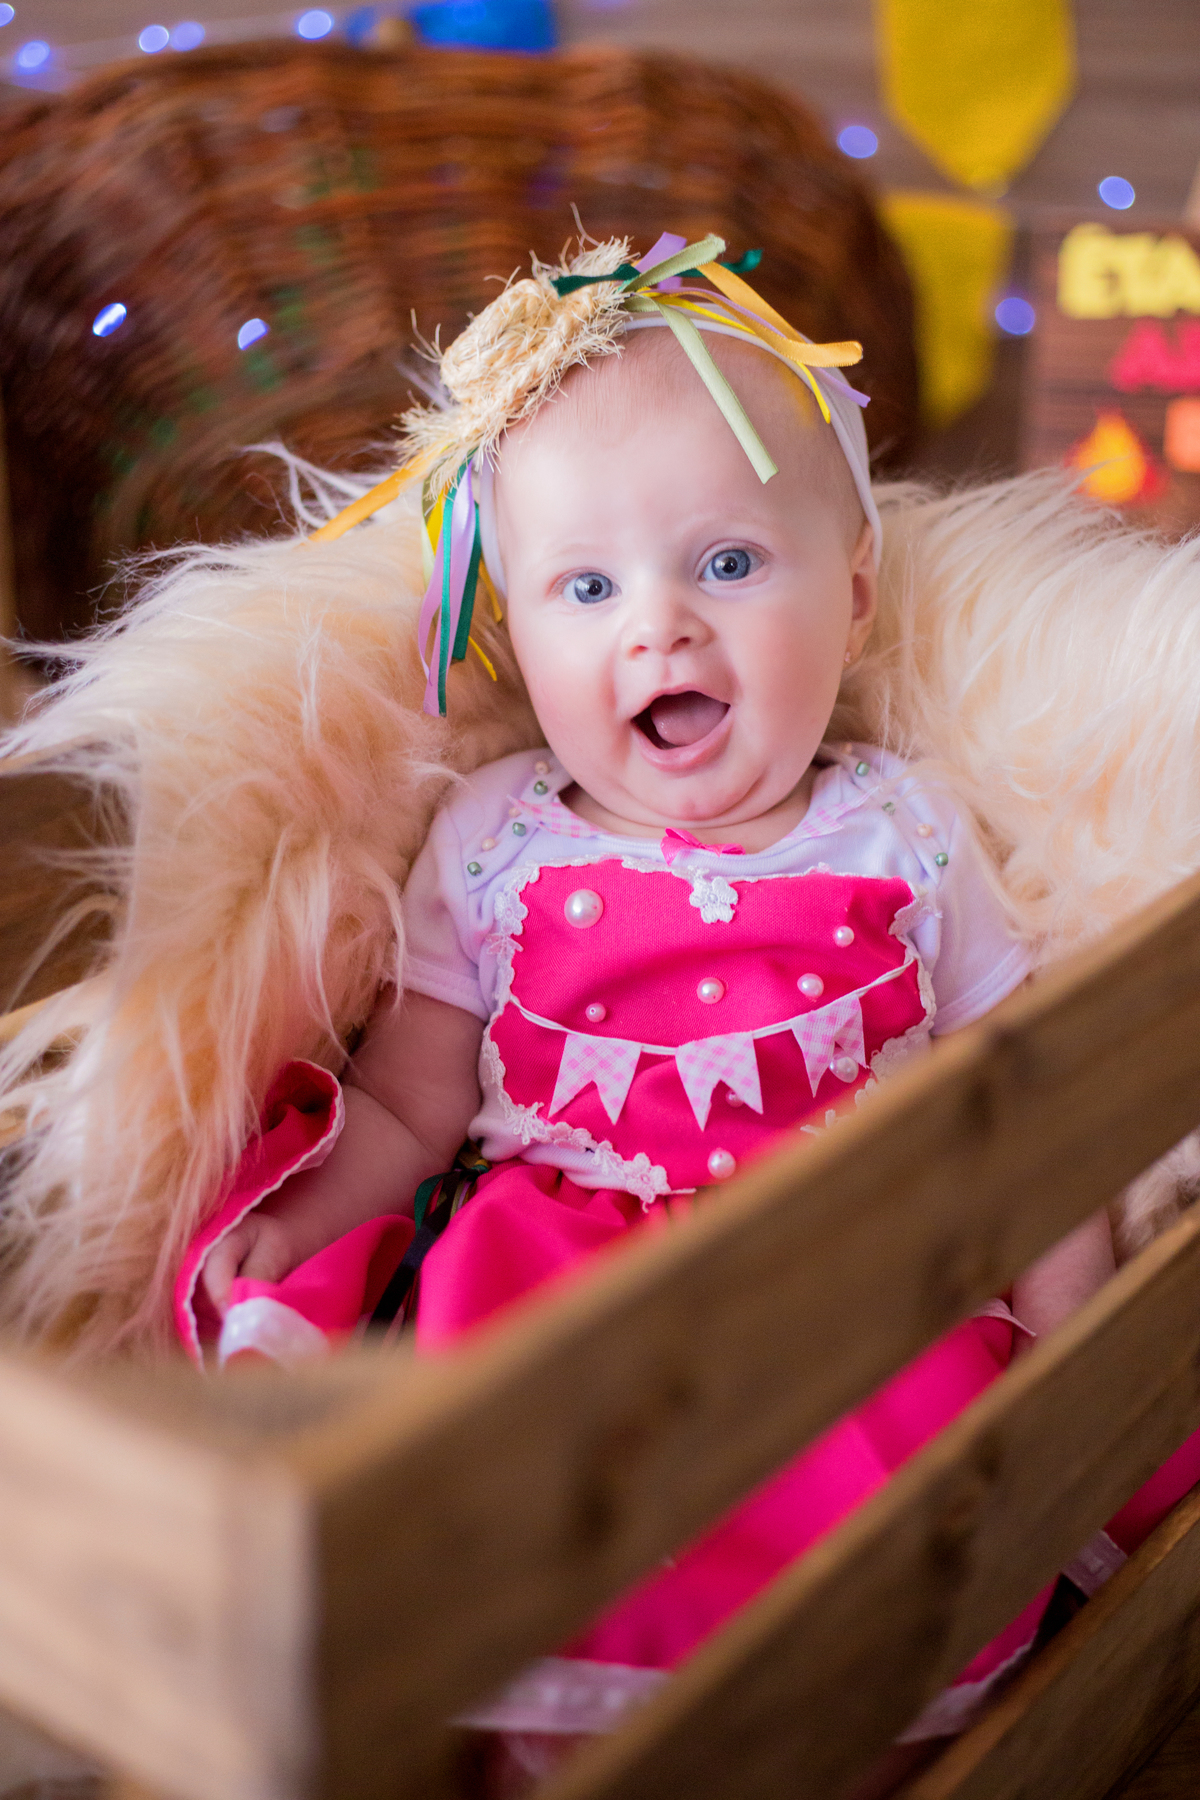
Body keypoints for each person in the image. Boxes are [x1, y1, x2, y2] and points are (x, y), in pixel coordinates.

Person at [163, 234, 1173, 1786]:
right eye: (587, 586)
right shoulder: (497, 835)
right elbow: (412, 1098)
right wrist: (310, 1223)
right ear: (519, 630)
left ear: (851, 593)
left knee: (878, 1596)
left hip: (848, 1276)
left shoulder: (903, 830)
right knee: (509, 1567)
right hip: (559, 1283)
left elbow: (1012, 1085)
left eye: (725, 562)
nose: (660, 629)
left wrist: (1063, 1328)